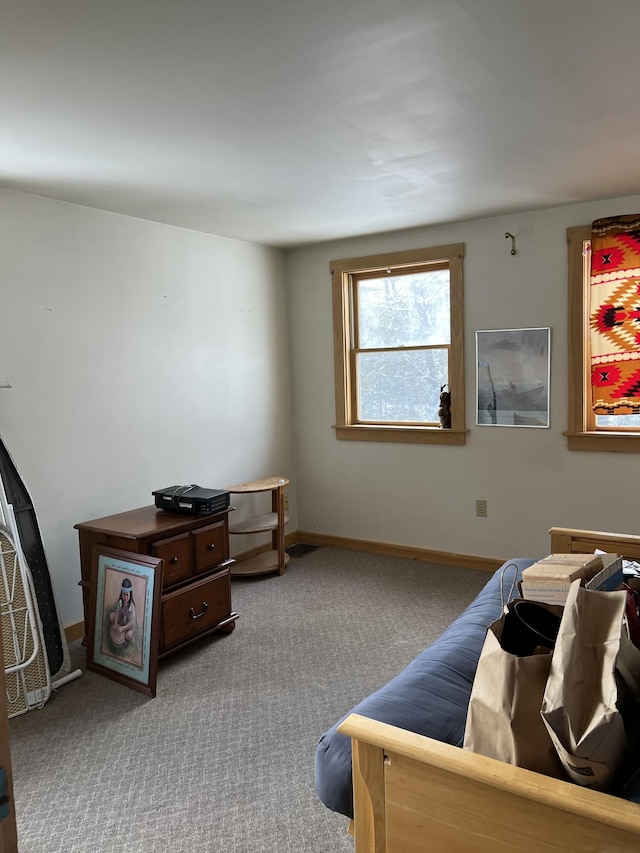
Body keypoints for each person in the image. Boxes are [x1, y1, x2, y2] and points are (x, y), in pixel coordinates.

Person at [109, 578, 136, 649]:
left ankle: (126, 641)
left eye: (127, 595)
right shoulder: (121, 602)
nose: (125, 597)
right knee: (111, 616)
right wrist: (115, 624)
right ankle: (118, 629)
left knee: (129, 635)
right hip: (121, 621)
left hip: (127, 626)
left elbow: (131, 624)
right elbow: (117, 612)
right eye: (124, 594)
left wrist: (122, 629)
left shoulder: (131, 606)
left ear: (130, 595)